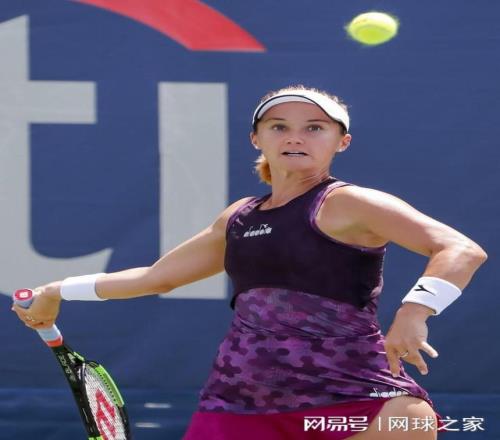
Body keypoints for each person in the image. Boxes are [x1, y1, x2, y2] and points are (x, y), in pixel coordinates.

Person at [12, 85, 487, 440]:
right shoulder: (239, 217)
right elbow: (156, 278)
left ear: (341, 142)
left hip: (360, 404)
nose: (295, 137)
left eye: (314, 127)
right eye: (279, 126)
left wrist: (414, 312)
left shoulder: (351, 203)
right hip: (237, 405)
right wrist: (57, 290)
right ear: (256, 138)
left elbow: (460, 249)